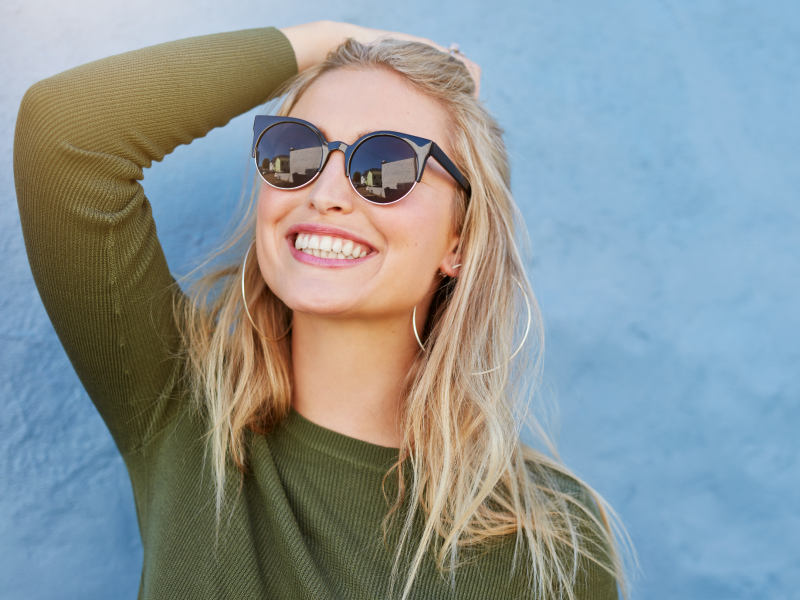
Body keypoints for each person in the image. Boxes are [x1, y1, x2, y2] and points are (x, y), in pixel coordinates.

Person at [15, 20, 628, 600]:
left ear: (459, 242)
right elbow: (64, 134)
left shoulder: (549, 539)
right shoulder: (185, 411)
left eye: (386, 165)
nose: (325, 194)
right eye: (296, 151)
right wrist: (340, 42)